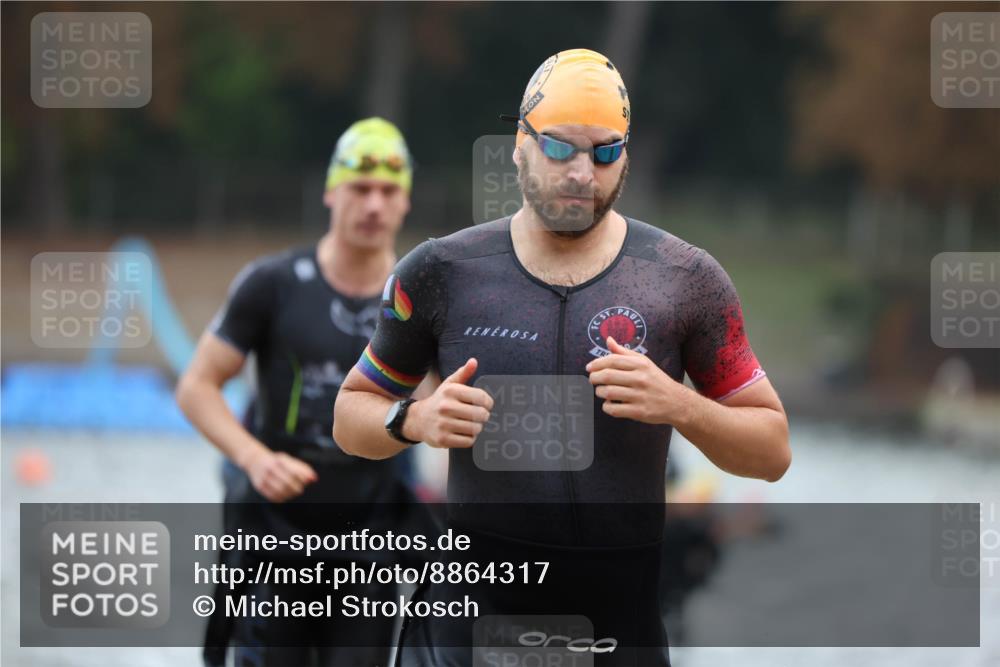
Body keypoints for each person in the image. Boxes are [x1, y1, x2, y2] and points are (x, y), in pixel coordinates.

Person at [334, 49, 791, 666]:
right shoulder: (444, 271)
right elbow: (350, 415)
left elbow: (772, 451)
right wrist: (413, 421)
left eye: (604, 152)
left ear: (625, 157)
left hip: (612, 627)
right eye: (560, 149)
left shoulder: (684, 280)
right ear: (519, 145)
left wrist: (679, 405)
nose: (582, 172)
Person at [177, 117, 432, 667]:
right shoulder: (273, 284)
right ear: (330, 192)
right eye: (359, 188)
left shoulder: (417, 298)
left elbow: (445, 409)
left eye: (388, 191)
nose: (372, 205)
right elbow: (197, 386)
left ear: (405, 202)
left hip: (369, 533)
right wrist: (254, 458)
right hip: (274, 521)